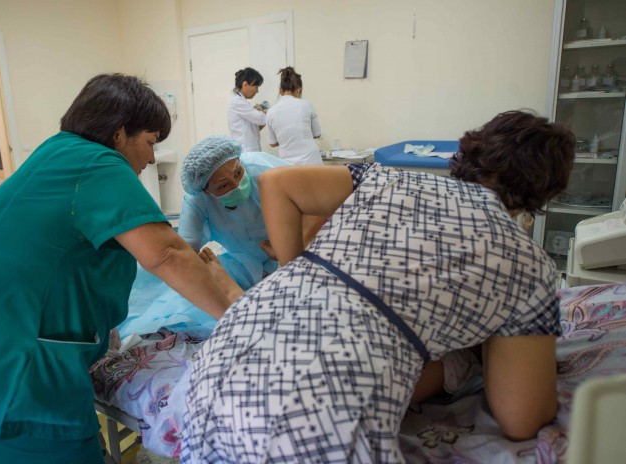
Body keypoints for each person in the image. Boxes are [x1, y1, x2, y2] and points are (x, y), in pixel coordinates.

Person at [182, 110, 575, 463]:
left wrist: (292, 272)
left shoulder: (387, 178)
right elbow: (522, 418)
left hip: (213, 376)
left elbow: (277, 183)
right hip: (309, 415)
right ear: (544, 193)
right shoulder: (526, 263)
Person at [0, 74, 241, 464]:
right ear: (119, 133)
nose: (151, 158)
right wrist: (239, 320)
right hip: (15, 387)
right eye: (150, 142)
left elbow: (56, 259)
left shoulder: (53, 154)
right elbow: (167, 254)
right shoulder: (97, 162)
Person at [179, 135, 325, 280]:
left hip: (296, 242)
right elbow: (186, 250)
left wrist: (289, 249)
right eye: (223, 185)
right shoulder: (196, 200)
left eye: (238, 172)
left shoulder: (263, 168)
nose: (237, 185)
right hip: (243, 260)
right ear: (206, 191)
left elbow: (316, 205)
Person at [266, 66, 323, 165]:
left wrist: (287, 138)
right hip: (311, 162)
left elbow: (273, 143)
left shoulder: (271, 112)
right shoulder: (306, 105)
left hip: (288, 164)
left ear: (280, 90)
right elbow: (317, 134)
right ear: (299, 90)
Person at [228, 67, 267, 152]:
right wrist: (265, 112)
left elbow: (252, 127)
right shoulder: (237, 102)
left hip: (250, 150)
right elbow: (261, 119)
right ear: (245, 84)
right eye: (256, 87)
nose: (257, 91)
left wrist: (260, 116)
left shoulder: (242, 102)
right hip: (246, 151)